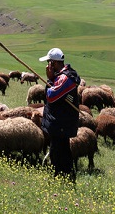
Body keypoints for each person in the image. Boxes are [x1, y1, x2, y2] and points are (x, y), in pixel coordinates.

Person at [39, 47, 81, 181]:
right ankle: (64, 178)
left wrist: (50, 79)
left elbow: (51, 96)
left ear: (54, 63)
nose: (47, 65)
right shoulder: (62, 76)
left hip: (61, 123)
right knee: (59, 151)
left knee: (58, 153)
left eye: (49, 62)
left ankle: (63, 179)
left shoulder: (65, 78)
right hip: (59, 122)